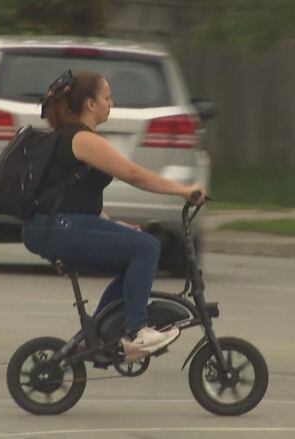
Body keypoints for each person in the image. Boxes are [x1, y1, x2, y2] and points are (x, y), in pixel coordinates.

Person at [21, 70, 206, 362]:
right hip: (58, 227)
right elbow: (133, 174)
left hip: (57, 224)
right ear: (90, 104)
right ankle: (136, 331)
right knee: (147, 247)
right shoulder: (82, 139)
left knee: (134, 250)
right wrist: (183, 190)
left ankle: (96, 337)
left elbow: (77, 198)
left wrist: (111, 224)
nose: (111, 102)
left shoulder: (73, 138)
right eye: (107, 97)